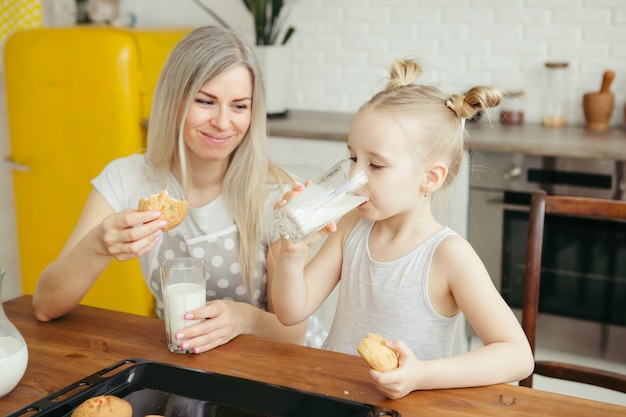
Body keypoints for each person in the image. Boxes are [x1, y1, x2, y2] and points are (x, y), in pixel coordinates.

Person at [32, 25, 312, 353]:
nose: (223, 123)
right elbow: (45, 305)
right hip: (179, 360)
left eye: (239, 106)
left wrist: (242, 319)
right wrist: (98, 244)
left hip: (269, 366)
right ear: (173, 100)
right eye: (206, 101)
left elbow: (293, 336)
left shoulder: (277, 194)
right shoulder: (128, 178)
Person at [271, 58, 534, 398]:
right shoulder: (352, 226)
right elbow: (290, 312)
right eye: (353, 158)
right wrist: (294, 251)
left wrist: (421, 374)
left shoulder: (448, 256)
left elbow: (517, 356)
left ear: (431, 177)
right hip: (333, 398)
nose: (354, 178)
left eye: (375, 165)